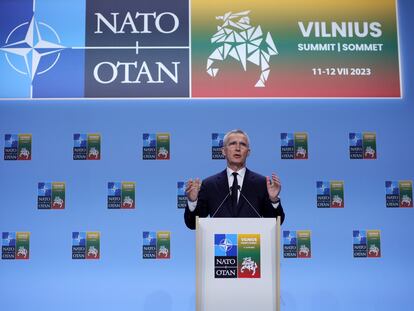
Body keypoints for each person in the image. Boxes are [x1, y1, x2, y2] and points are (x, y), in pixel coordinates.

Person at [184, 129, 285, 229]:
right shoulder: (209, 184)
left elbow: (275, 223)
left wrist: (273, 200)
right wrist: (193, 202)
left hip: (250, 243)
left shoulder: (262, 183)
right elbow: (193, 224)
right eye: (232, 144)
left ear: (248, 152)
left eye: (243, 144)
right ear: (223, 151)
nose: (238, 148)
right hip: (220, 243)